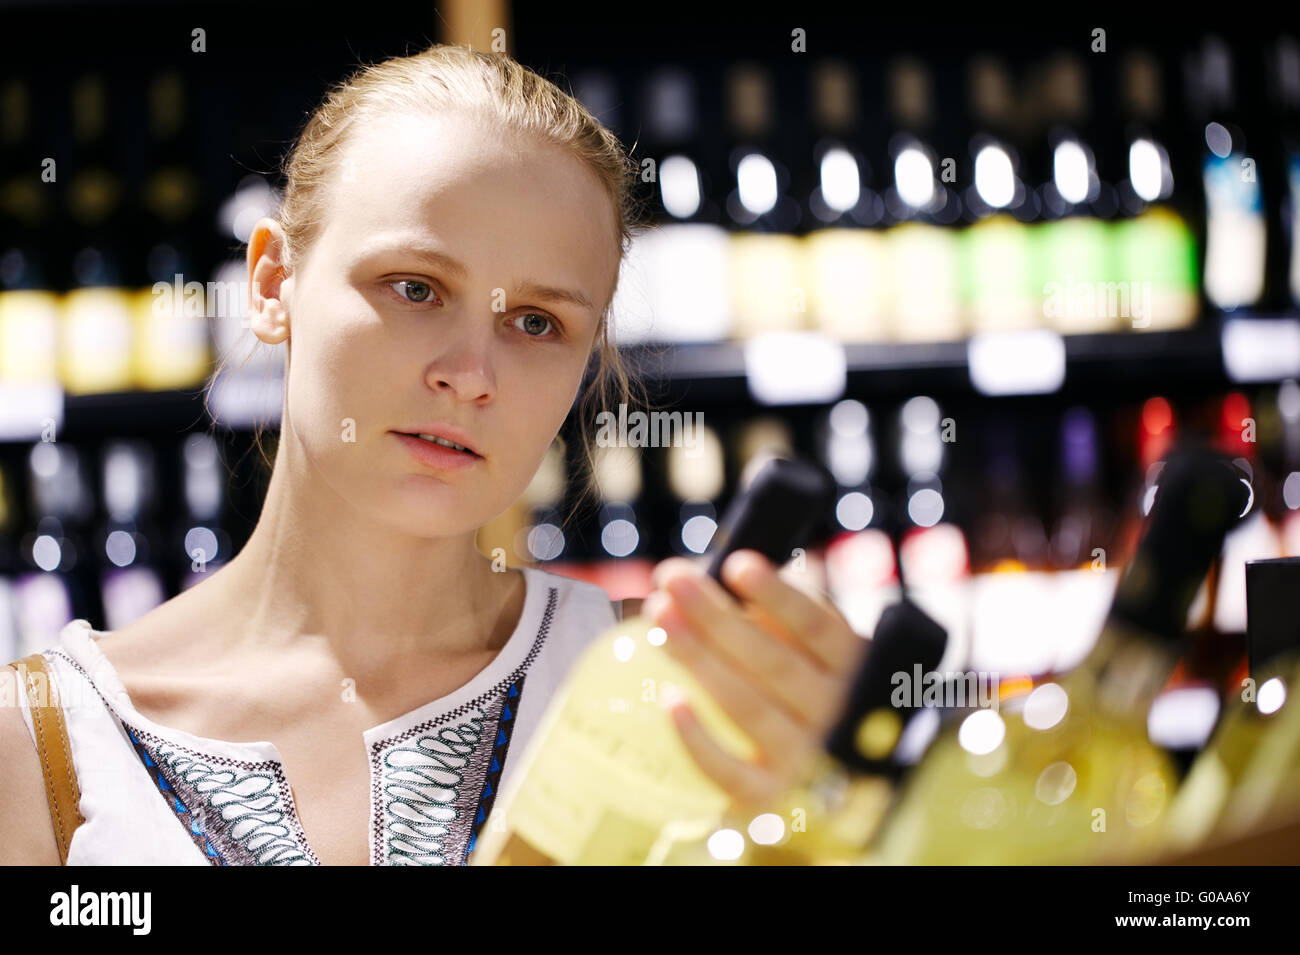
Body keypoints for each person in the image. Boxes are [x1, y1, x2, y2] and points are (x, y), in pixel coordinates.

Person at [0, 43, 866, 865]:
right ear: (272, 284)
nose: (470, 374)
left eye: (538, 323)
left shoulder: (677, 700)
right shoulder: (40, 743)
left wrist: (842, 815)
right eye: (415, 288)